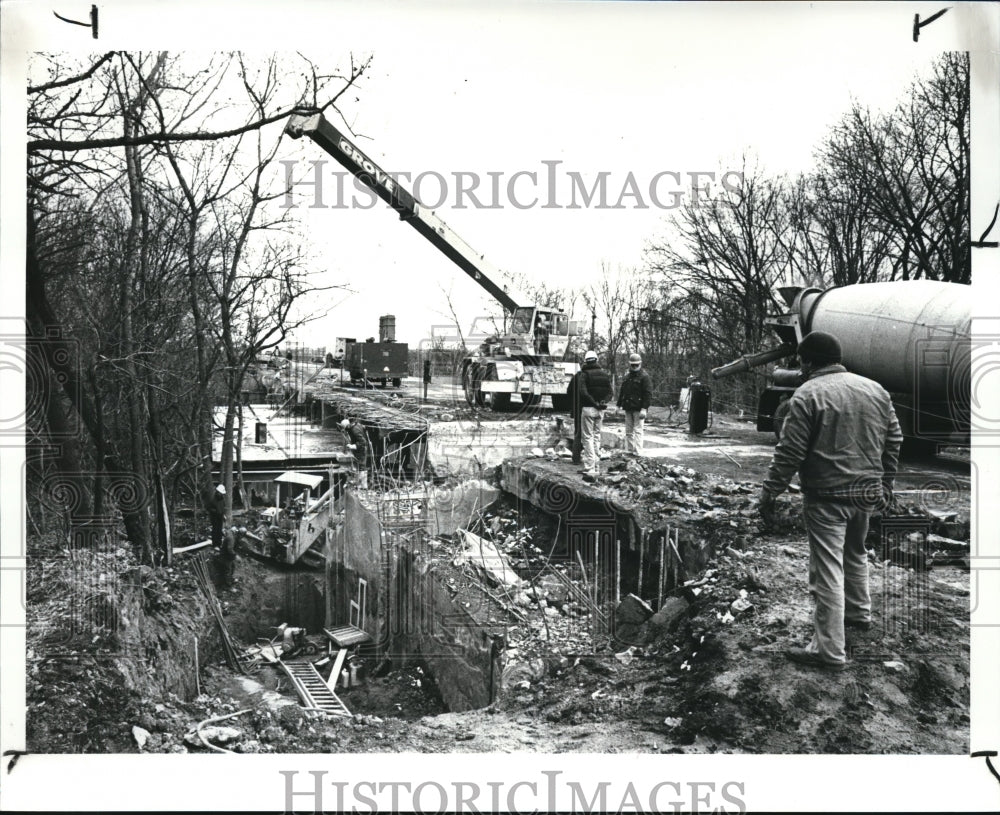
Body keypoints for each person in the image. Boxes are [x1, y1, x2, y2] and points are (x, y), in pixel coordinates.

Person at [759, 331, 902, 672]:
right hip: (866, 493)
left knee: (827, 571)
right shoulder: (875, 389)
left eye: (802, 363)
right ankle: (858, 614)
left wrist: (770, 492)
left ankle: (829, 651)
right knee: (855, 553)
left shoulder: (807, 393)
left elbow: (790, 451)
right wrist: (885, 483)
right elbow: (894, 438)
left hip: (826, 498)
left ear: (808, 362)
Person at [576, 350, 612, 481]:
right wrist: (602, 402)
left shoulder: (584, 374)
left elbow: (583, 392)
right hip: (600, 410)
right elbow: (610, 392)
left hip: (588, 409)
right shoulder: (604, 374)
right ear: (596, 360)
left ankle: (590, 466)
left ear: (586, 361)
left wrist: (594, 403)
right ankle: (596, 465)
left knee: (587, 437)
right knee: (597, 436)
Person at [616, 352, 653, 453]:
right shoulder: (627, 377)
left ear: (640, 364)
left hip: (638, 408)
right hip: (629, 407)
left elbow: (648, 394)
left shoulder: (645, 377)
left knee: (638, 431)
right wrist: (618, 405)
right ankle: (630, 451)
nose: (635, 366)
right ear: (630, 365)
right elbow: (622, 391)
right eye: (633, 365)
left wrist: (644, 408)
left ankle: (638, 452)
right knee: (628, 432)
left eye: (636, 364)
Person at [340, 417, 370, 488]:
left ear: (346, 426)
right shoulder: (355, 426)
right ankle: (359, 483)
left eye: (345, 429)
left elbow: (363, 442)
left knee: (361, 466)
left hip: (361, 449)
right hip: (360, 449)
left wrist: (353, 446)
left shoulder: (354, 430)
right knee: (359, 465)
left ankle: (363, 485)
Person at [206, 483, 226, 548]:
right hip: (215, 517)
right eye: (220, 493)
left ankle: (219, 543)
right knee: (215, 530)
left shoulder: (222, 499)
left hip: (220, 516)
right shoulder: (213, 499)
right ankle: (215, 544)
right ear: (218, 492)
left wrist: (223, 515)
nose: (221, 494)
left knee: (219, 530)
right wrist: (215, 512)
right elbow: (208, 508)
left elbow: (223, 507)